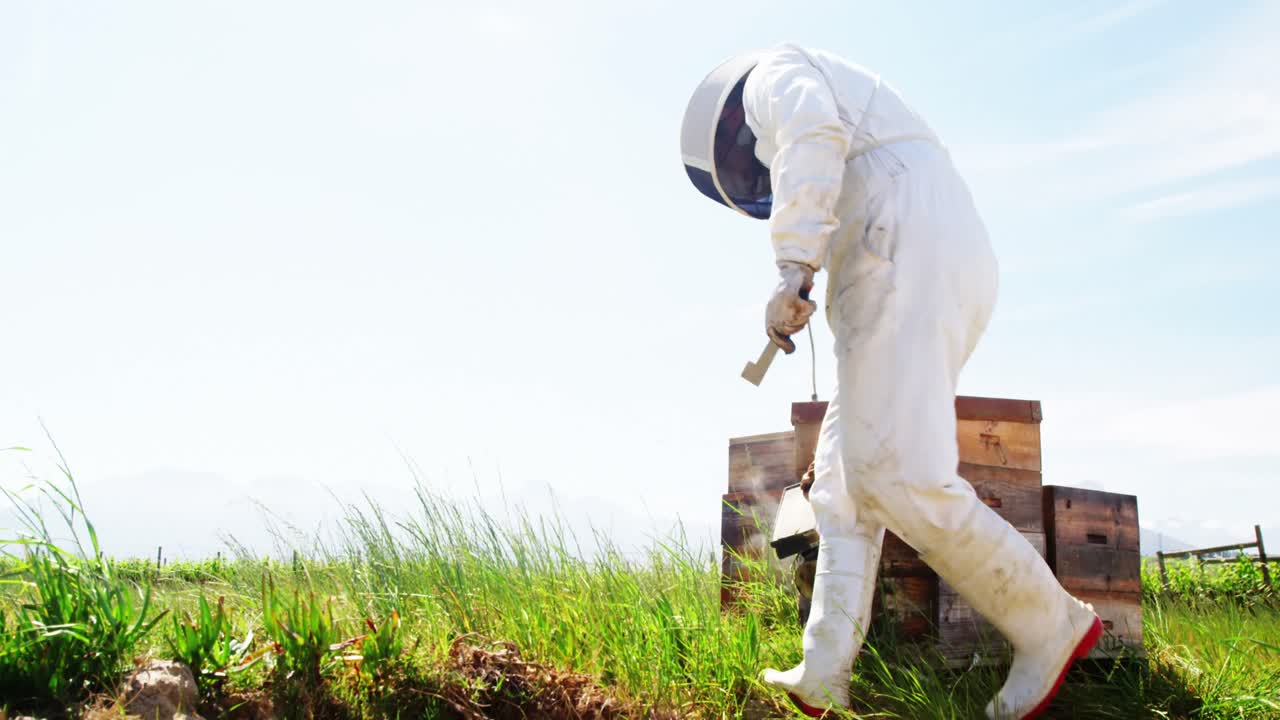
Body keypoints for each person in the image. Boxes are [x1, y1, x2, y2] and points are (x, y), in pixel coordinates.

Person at [679, 45, 1102, 720]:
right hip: (910, 261)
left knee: (899, 473)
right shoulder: (843, 102)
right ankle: (823, 671)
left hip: (905, 255)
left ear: (724, 128)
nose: (755, 173)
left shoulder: (774, 78)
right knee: (845, 487)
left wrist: (791, 266)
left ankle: (1049, 623)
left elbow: (810, 132)